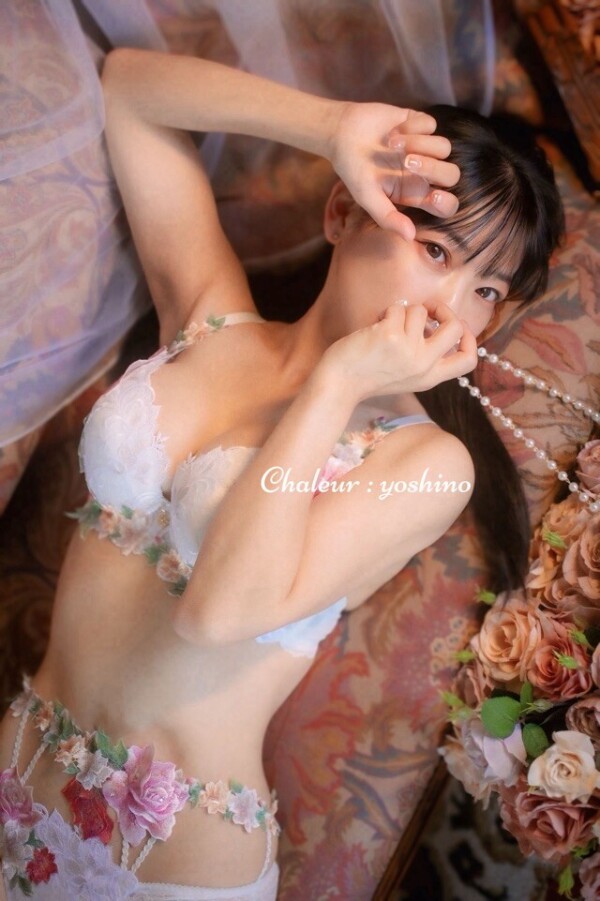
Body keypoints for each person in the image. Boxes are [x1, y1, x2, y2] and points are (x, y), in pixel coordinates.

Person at [0, 49, 562, 899]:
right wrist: (330, 126)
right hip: (17, 773)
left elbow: (218, 612)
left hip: (163, 866)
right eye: (436, 250)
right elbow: (129, 92)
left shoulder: (424, 466)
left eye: (487, 290)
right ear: (345, 210)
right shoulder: (211, 318)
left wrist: (336, 384)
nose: (448, 309)